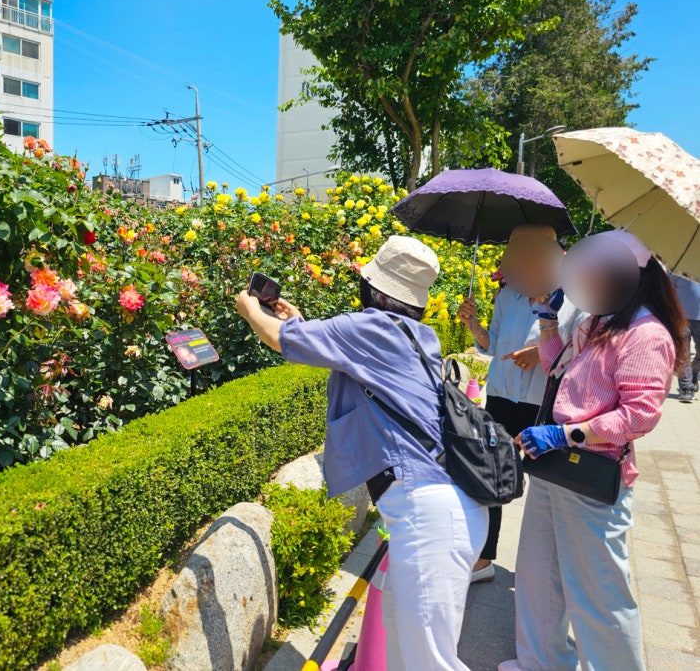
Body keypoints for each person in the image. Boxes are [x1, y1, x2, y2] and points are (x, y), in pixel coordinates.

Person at [236, 235, 488, 671]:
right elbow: (347, 354)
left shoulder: (369, 330)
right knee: (400, 654)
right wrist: (302, 322)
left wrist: (249, 309)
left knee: (431, 663)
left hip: (428, 514)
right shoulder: (416, 335)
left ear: (375, 288)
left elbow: (281, 340)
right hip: (447, 505)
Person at [499, 230, 687, 671]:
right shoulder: (599, 321)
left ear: (631, 277)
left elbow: (639, 416)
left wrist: (566, 435)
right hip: (555, 468)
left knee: (597, 592)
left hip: (591, 472)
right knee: (538, 573)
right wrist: (548, 319)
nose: (588, 278)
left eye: (598, 272)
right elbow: (555, 366)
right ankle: (540, 662)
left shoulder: (645, 333)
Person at [457, 225, 583, 583]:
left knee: (547, 486)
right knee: (490, 475)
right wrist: (473, 324)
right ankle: (483, 559)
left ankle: (549, 569)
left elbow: (577, 353)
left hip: (543, 404)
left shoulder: (572, 299)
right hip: (500, 397)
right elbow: (492, 346)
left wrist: (539, 352)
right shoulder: (506, 297)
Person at [670, 273, 700, 402]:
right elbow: (668, 289)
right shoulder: (678, 267)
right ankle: (686, 387)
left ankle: (693, 372)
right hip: (681, 318)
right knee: (683, 353)